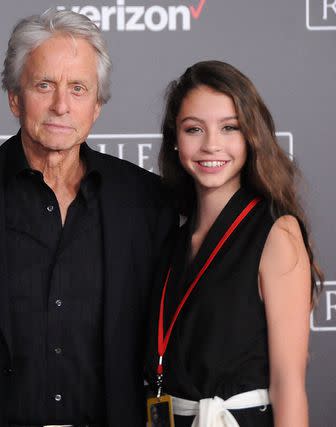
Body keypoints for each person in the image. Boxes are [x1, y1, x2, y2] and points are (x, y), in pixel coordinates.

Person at [0, 9, 175, 427]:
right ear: (15, 97)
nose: (61, 105)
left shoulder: (147, 203)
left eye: (79, 89)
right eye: (44, 85)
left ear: (97, 105)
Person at [145, 60, 323, 426]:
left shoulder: (277, 233)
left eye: (229, 128)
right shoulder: (171, 238)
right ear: (175, 140)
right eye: (194, 129)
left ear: (251, 137)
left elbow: (288, 384)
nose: (211, 145)